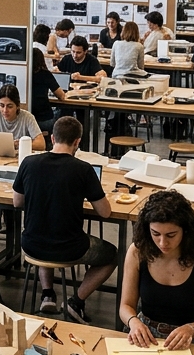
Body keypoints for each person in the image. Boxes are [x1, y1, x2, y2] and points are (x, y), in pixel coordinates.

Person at [13, 116, 117, 321]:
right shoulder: (83, 169)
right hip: (69, 248)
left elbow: (17, 202)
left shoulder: (29, 163)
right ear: (77, 142)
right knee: (113, 255)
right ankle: (76, 302)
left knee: (46, 226)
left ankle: (48, 294)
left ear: (52, 138)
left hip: (32, 244)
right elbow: (105, 211)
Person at [119, 190, 194, 349]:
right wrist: (133, 322)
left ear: (185, 231)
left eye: (171, 235)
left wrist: (190, 329)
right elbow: (125, 306)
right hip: (145, 334)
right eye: (156, 234)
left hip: (189, 337)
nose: (162, 243)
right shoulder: (137, 252)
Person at [0, 85, 46, 150]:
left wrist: (19, 144)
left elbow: (41, 144)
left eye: (9, 106)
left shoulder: (27, 117)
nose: (5, 110)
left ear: (18, 106)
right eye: (1, 106)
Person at [27, 52, 67, 133]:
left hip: (26, 120)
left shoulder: (24, 74)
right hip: (44, 120)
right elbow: (61, 96)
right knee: (62, 110)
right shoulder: (45, 74)